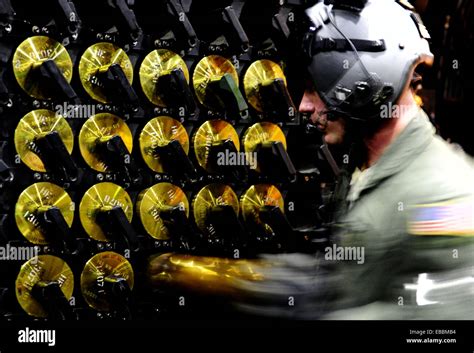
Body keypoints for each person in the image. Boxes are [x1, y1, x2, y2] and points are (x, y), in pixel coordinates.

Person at [148, 0, 474, 320]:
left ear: (365, 83)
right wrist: (226, 279)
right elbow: (344, 280)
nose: (303, 106)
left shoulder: (448, 193)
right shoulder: (364, 170)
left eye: (316, 89)